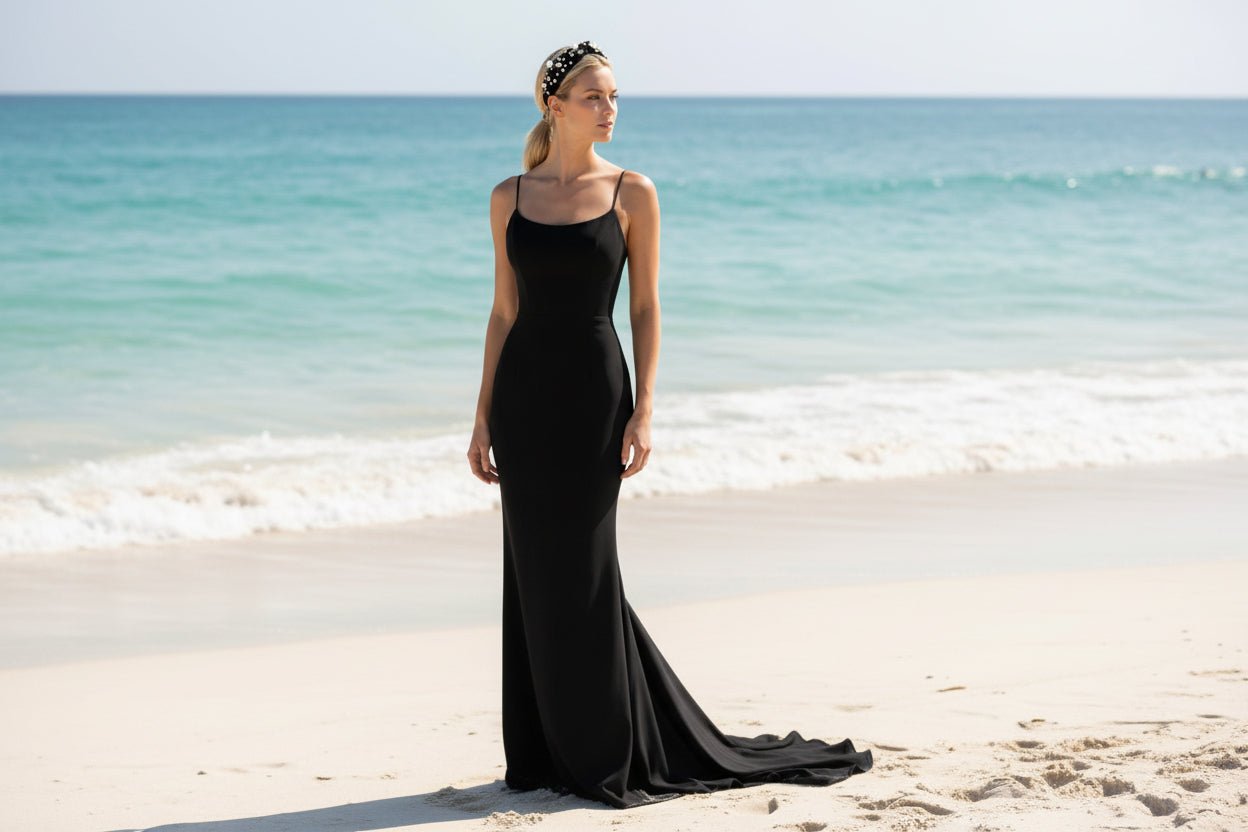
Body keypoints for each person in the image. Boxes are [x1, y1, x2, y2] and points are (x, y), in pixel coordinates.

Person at [467, 39, 874, 809]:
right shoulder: (508, 196)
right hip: (523, 402)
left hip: (593, 396)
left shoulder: (632, 192)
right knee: (532, 571)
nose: (611, 109)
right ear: (555, 105)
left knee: (585, 572)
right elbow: (502, 310)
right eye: (596, 97)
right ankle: (547, 750)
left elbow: (647, 308)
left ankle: (603, 750)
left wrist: (646, 408)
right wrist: (482, 413)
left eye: (615, 97)